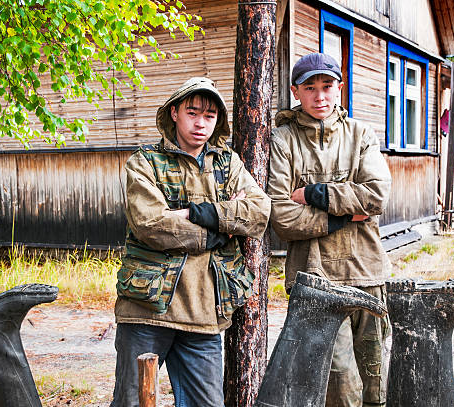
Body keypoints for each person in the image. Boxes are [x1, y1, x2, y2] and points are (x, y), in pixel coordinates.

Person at [110, 77, 271, 407]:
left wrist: (192, 213)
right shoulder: (145, 163)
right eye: (192, 112)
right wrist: (222, 228)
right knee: (131, 402)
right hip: (147, 312)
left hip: (204, 313)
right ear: (174, 113)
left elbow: (259, 212)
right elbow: (151, 224)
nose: (200, 123)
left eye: (209, 115)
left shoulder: (228, 163)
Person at [267, 53, 392, 407]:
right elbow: (281, 217)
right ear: (296, 91)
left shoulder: (360, 134)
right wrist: (342, 215)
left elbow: (376, 196)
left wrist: (313, 193)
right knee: (336, 384)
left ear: (340, 87)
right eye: (310, 88)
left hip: (367, 272)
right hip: (315, 280)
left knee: (375, 380)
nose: (320, 96)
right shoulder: (283, 140)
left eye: (327, 86)